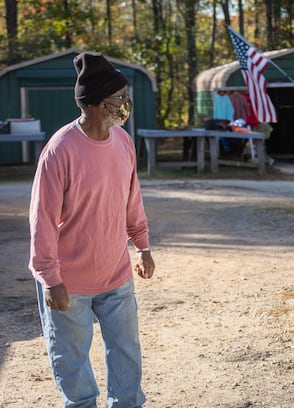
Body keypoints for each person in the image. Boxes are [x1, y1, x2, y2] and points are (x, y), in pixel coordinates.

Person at [28, 51, 155, 407]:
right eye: (120, 99)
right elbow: (42, 218)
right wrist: (51, 279)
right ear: (100, 105)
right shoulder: (60, 150)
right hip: (70, 283)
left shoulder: (124, 143)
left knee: (127, 353)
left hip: (116, 275)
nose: (125, 104)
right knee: (72, 364)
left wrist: (142, 245)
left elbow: (132, 200)